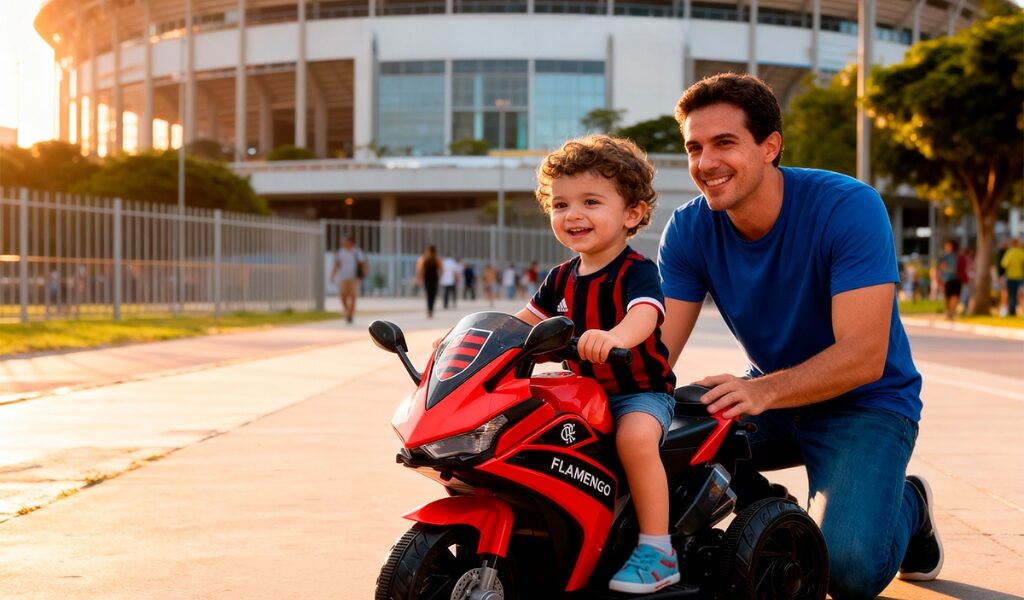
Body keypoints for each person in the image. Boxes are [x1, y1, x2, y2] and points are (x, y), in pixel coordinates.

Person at [658, 73, 940, 600]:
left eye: (725, 143)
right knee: (651, 445)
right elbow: (656, 354)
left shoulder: (848, 207)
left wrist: (761, 392)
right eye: (694, 147)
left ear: (770, 146)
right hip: (772, 396)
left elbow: (863, 357)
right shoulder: (690, 228)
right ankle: (770, 506)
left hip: (867, 403)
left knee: (848, 570)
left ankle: (909, 503)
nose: (705, 163)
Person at [514, 135, 678, 594]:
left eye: (590, 201)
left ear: (632, 214)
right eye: (560, 203)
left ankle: (657, 550)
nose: (573, 215)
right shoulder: (560, 278)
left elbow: (645, 313)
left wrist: (615, 337)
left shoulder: (636, 271)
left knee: (636, 439)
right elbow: (522, 323)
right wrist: (476, 340)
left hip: (637, 394)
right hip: (582, 397)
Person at [329, 235, 366, 324]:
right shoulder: (341, 252)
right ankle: (347, 311)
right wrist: (333, 275)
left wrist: (362, 275)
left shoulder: (357, 252)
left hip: (354, 278)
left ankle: (350, 314)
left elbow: (361, 263)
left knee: (353, 297)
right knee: (343, 296)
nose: (344, 243)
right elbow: (337, 264)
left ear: (351, 242)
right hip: (343, 278)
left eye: (346, 241)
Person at [415, 245, 441, 318]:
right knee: (430, 295)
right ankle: (430, 310)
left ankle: (430, 310)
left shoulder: (435, 259)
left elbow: (441, 269)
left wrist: (419, 279)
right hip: (429, 280)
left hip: (432, 280)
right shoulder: (425, 259)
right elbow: (420, 270)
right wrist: (419, 279)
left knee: (432, 295)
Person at [938, 239, 962, 320]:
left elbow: (941, 267)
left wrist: (941, 277)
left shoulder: (945, 257)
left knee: (950, 296)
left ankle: (950, 312)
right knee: (952, 295)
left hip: (949, 278)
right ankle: (951, 312)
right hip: (954, 278)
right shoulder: (958, 256)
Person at [1002, 237, 1024, 317]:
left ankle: (1012, 311)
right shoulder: (1021, 252)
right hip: (1020, 277)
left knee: (1012, 295)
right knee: (1021, 294)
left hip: (1011, 277)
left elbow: (1004, 264)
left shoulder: (1009, 252)